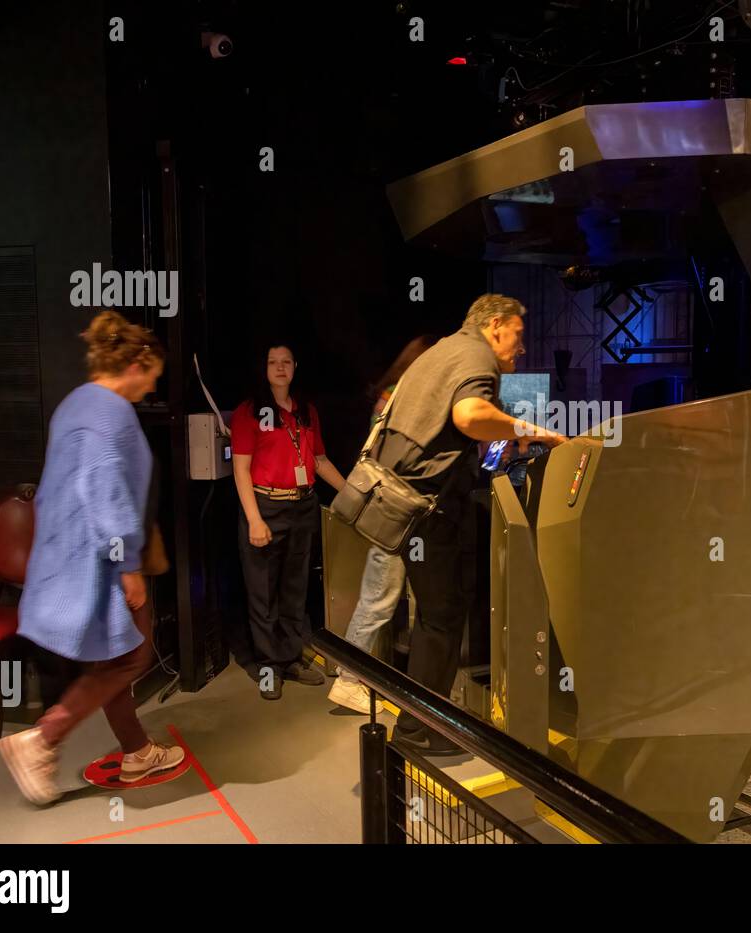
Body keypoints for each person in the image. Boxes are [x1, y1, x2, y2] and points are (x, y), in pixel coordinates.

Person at [0, 310, 183, 806]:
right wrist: (128, 567)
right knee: (131, 657)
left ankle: (136, 750)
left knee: (113, 656)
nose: (151, 389)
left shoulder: (74, 406)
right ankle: (42, 739)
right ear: (138, 363)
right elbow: (105, 492)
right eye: (153, 377)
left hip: (71, 556)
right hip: (100, 562)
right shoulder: (110, 412)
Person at [373, 294, 567, 755]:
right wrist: (534, 431)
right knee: (440, 621)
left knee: (439, 616)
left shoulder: (443, 349)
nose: (521, 347)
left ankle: (426, 721)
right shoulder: (476, 354)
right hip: (431, 509)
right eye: (518, 334)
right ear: (496, 324)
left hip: (408, 504)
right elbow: (469, 415)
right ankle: (420, 731)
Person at [328, 335, 438, 714]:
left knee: (391, 598)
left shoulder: (394, 392)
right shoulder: (403, 396)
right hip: (396, 514)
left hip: (397, 514)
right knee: (379, 600)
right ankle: (347, 679)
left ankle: (381, 674)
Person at [232, 343, 346, 700]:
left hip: (303, 506)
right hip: (266, 506)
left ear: (295, 367)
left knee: (295, 589)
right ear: (263, 368)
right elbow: (241, 468)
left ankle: (292, 657)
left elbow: (319, 459)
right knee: (263, 592)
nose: (280, 368)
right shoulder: (249, 412)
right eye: (272, 362)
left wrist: (352, 494)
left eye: (286, 362)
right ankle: (269, 666)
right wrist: (254, 519)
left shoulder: (305, 411)